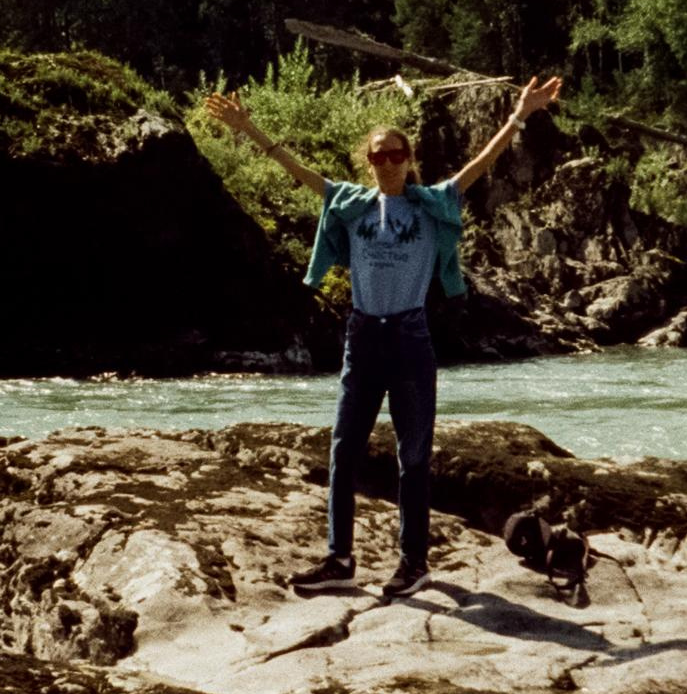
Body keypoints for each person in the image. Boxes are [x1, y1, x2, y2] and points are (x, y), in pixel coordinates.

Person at [203, 75, 563, 599]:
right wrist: (248, 128)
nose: (387, 163)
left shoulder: (431, 203)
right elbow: (297, 171)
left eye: (396, 154)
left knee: (412, 456)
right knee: (343, 450)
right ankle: (340, 558)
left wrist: (518, 115)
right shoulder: (350, 204)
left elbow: (480, 164)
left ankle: (413, 563)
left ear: (409, 158)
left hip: (410, 339)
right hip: (363, 336)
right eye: (378, 156)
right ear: (367, 163)